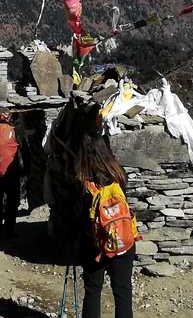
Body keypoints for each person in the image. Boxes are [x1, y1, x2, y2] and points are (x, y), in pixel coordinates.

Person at [75, 130, 137, 318]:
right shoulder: (119, 174)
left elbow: (79, 218)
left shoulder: (83, 183)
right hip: (124, 241)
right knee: (123, 292)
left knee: (93, 291)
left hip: (95, 246)